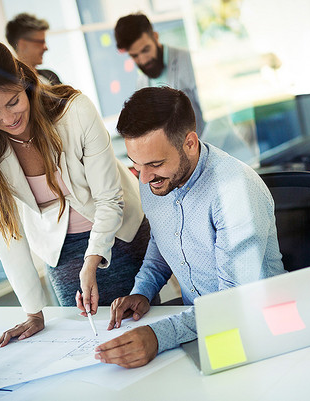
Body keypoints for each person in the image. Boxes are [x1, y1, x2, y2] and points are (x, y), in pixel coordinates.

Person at [0, 40, 150, 346]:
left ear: (23, 83)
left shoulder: (75, 111)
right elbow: (9, 234)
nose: (8, 119)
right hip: (61, 253)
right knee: (87, 344)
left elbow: (109, 199)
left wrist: (92, 259)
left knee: (146, 331)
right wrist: (33, 312)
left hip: (122, 234)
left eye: (13, 102)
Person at [93, 87, 285, 368]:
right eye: (136, 165)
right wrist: (142, 291)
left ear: (190, 143)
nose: (144, 179)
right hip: (199, 328)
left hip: (258, 326)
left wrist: (159, 336)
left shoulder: (234, 191)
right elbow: (163, 240)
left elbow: (234, 302)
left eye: (155, 164)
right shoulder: (155, 180)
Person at [114, 13, 205, 137]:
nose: (143, 60)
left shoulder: (190, 61)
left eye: (146, 50)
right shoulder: (141, 84)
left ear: (155, 37)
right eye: (135, 56)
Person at [6, 13, 62, 85]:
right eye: (41, 42)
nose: (46, 48)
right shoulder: (14, 86)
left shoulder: (51, 75)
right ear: (22, 44)